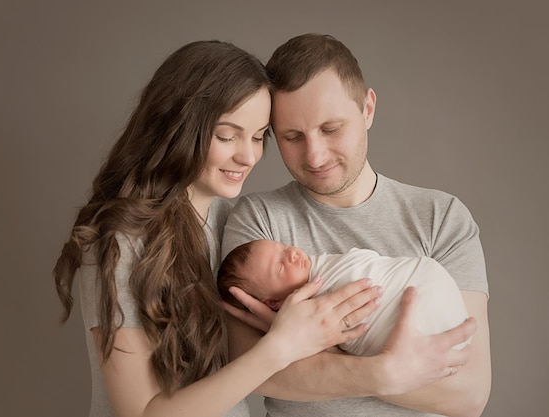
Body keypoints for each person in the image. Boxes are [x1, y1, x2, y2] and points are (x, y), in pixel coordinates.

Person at [52, 40, 384, 417]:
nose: (248, 156)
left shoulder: (236, 225)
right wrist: (280, 347)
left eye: (258, 137)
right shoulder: (123, 240)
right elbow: (143, 412)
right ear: (177, 127)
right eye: (227, 135)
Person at [221, 34, 491, 417]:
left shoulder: (440, 218)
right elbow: (252, 373)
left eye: (331, 129)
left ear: (367, 108)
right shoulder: (259, 221)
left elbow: (468, 394)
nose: (314, 155)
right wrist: (384, 372)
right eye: (292, 137)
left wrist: (313, 349)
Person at [218, 239, 470, 357]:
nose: (293, 254)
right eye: (280, 267)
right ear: (272, 303)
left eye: (283, 248)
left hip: (428, 286)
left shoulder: (328, 267)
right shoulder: (255, 214)